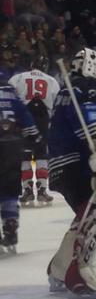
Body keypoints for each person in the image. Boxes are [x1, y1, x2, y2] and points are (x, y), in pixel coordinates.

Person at [47, 48, 96, 297]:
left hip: (61, 165)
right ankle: (80, 274)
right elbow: (90, 127)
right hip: (75, 165)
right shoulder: (87, 87)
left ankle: (59, 269)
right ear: (91, 66)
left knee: (86, 217)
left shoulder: (67, 89)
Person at [9, 55, 60, 206]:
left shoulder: (18, 77)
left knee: (24, 156)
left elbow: (10, 97)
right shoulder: (51, 80)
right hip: (42, 120)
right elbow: (56, 106)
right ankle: (43, 189)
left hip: (23, 120)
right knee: (41, 155)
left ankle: (28, 190)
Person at [0, 71, 41, 253]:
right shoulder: (11, 93)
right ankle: (10, 225)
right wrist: (35, 136)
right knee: (9, 190)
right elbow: (26, 117)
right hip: (11, 145)